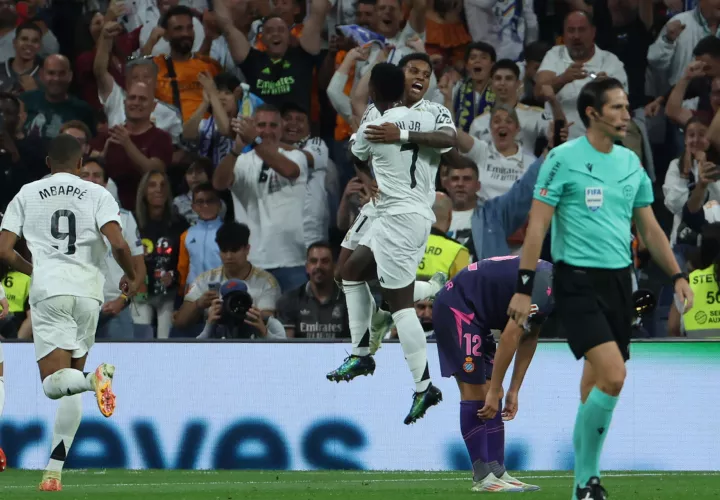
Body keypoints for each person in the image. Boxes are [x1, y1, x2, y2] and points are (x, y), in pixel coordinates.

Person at [506, 78, 693, 500]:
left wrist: (677, 275)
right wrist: (523, 287)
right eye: (618, 108)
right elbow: (537, 227)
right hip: (575, 281)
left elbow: (649, 227)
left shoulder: (630, 163)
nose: (627, 115)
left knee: (594, 386)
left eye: (627, 107)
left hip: (618, 283)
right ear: (592, 113)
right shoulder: (563, 158)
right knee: (614, 375)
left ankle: (579, 490)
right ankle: (590, 478)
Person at [0, 134, 137, 491]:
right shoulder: (97, 194)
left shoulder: (27, 193)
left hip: (50, 293)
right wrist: (132, 276)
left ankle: (95, 380)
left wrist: (33, 270)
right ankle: (53, 472)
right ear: (80, 164)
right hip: (89, 294)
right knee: (69, 386)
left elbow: (3, 251)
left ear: (48, 163)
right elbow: (119, 243)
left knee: (53, 385)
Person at [328, 63, 455, 424]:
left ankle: (422, 385)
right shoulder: (427, 118)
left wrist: (393, 140)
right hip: (394, 213)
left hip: (401, 216)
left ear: (375, 93)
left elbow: (355, 154)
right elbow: (449, 141)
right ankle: (363, 349)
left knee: (399, 306)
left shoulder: (374, 125)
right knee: (349, 270)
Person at [433, 255, 552, 492]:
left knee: (491, 395)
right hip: (458, 307)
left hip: (478, 316)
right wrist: (497, 388)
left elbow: (530, 336)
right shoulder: (545, 288)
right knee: (477, 393)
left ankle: (497, 472)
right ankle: (481, 477)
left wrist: (513, 390)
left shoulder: (553, 285)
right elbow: (510, 336)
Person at [80, 158, 147, 340]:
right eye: (84, 175)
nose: (91, 180)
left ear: (105, 182)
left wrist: (122, 300)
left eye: (96, 175)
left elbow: (139, 269)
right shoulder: (66, 221)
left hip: (116, 310)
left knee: (121, 367)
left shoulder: (125, 218)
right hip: (78, 311)